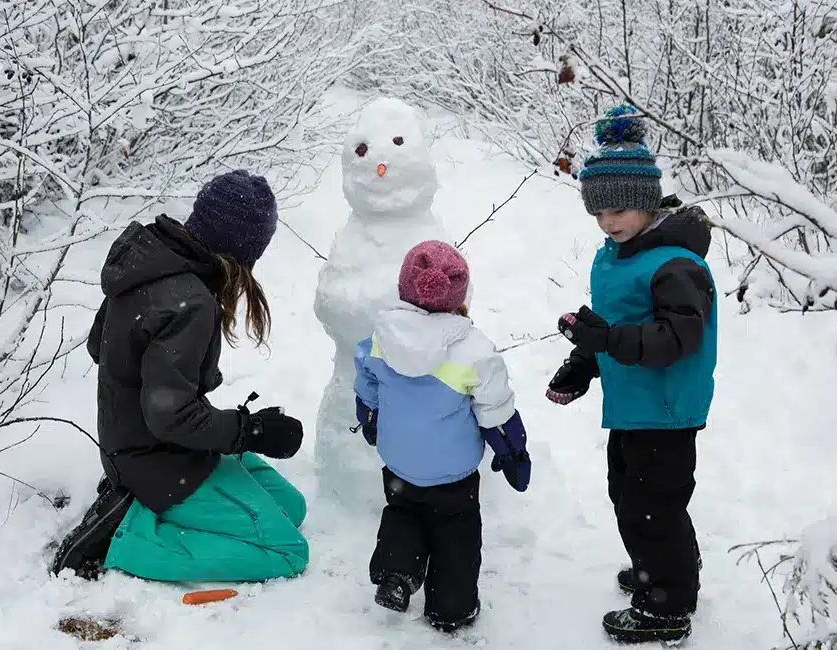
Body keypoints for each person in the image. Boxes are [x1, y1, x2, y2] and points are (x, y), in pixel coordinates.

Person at [49, 170, 309, 584]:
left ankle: (139, 505)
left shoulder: (150, 261)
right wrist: (251, 430)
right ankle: (121, 537)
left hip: (152, 448)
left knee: (291, 510)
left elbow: (101, 346)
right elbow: (171, 418)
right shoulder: (189, 301)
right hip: (157, 462)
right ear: (244, 250)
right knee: (287, 550)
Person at [546, 105, 716, 645]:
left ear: (646, 201)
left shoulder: (674, 264)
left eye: (618, 209)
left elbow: (675, 339)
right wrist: (582, 365)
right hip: (634, 403)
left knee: (652, 505)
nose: (608, 222)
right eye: (598, 213)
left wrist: (603, 340)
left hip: (664, 408)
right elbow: (617, 326)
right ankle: (662, 568)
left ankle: (666, 604)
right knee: (633, 496)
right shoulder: (621, 255)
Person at [352, 240, 531, 633]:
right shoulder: (474, 350)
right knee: (456, 533)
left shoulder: (382, 336)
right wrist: (512, 449)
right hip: (453, 473)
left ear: (404, 288)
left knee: (403, 513)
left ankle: (396, 573)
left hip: (399, 461)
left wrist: (368, 413)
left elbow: (366, 380)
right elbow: (496, 408)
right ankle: (452, 607)